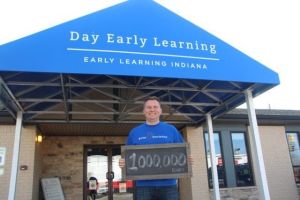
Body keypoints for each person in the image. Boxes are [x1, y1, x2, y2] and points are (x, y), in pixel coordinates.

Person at [119, 96, 192, 200]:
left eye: (155, 107)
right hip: (143, 186)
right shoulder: (134, 132)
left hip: (169, 185)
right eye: (148, 107)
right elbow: (127, 157)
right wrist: (123, 162)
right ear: (143, 111)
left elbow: (183, 152)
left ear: (160, 110)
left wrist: (188, 159)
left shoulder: (171, 130)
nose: (152, 109)